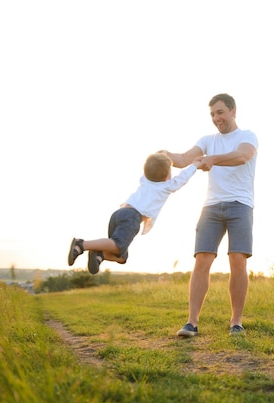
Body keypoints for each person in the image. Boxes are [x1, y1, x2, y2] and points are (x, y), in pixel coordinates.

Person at [164, 93, 258, 337]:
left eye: (220, 112)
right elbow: (184, 158)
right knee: (202, 259)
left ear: (233, 111)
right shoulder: (207, 140)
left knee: (238, 260)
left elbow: (242, 156)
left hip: (240, 204)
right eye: (213, 114)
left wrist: (213, 160)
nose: (216, 118)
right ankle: (192, 322)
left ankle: (236, 322)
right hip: (212, 206)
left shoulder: (247, 137)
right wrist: (166, 156)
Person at [68, 152, 201, 274]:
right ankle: (82, 244)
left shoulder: (144, 180)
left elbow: (151, 167)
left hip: (119, 213)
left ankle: (99, 254)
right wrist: (195, 165)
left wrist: (159, 155)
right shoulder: (166, 186)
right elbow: (182, 178)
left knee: (122, 256)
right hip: (132, 217)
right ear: (167, 177)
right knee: (118, 245)